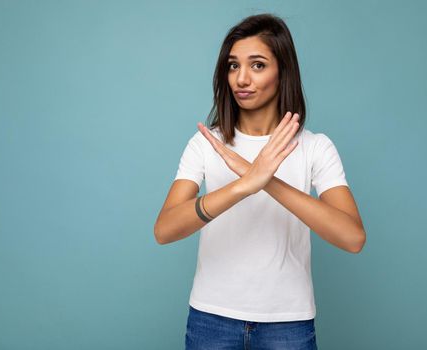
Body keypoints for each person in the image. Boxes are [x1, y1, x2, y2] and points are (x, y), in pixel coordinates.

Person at [154, 13, 366, 350]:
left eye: (257, 65)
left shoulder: (315, 146)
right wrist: (242, 185)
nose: (241, 78)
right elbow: (164, 230)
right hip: (211, 317)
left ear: (283, 72)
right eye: (233, 65)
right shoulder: (206, 143)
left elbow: (353, 237)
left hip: (288, 322)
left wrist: (266, 181)